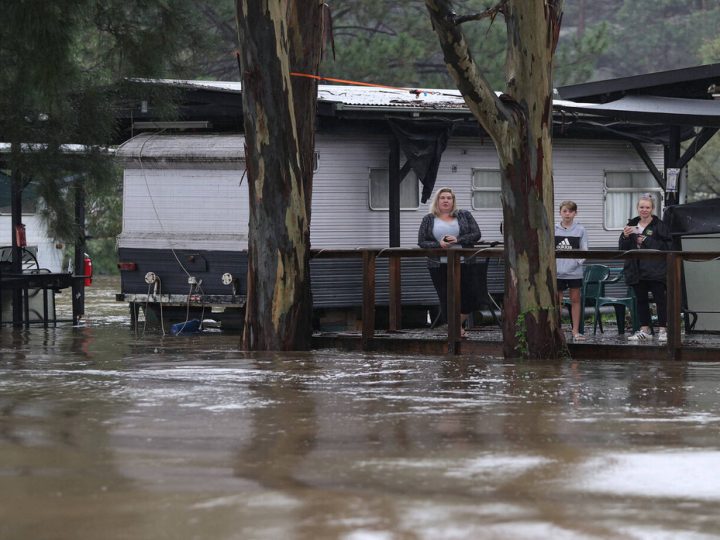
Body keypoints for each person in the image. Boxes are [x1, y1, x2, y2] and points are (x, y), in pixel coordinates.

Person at [418, 187, 482, 337]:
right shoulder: (428, 219)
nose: (446, 200)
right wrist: (438, 244)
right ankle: (456, 331)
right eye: (442, 198)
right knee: (446, 297)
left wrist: (458, 240)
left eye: (449, 198)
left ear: (453, 201)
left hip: (465, 262)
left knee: (471, 296)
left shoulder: (464, 215)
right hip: (438, 264)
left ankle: (454, 327)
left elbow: (476, 234)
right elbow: (422, 241)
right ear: (437, 201)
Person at [619, 193, 672, 342]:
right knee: (641, 300)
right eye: (642, 207)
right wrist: (624, 236)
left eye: (647, 207)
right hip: (636, 269)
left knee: (660, 300)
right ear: (637, 208)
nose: (644, 210)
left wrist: (647, 240)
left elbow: (668, 247)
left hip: (656, 270)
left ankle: (663, 330)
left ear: (653, 209)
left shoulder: (660, 226)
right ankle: (645, 330)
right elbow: (622, 248)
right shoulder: (631, 225)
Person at [555, 200, 588, 342]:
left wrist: (576, 263)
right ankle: (558, 329)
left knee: (575, 300)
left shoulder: (581, 229)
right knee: (557, 301)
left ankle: (575, 330)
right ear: (560, 213)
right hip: (557, 272)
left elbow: (584, 250)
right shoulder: (554, 228)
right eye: (564, 211)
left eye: (570, 211)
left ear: (575, 213)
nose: (567, 214)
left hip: (574, 272)